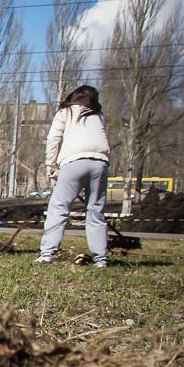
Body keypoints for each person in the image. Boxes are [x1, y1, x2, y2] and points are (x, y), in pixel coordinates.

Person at [38, 85, 110, 268]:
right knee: (96, 211)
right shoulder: (97, 115)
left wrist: (51, 166)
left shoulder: (65, 111)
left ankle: (47, 254)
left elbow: (53, 138)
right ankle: (100, 260)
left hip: (74, 162)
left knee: (59, 207)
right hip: (100, 163)